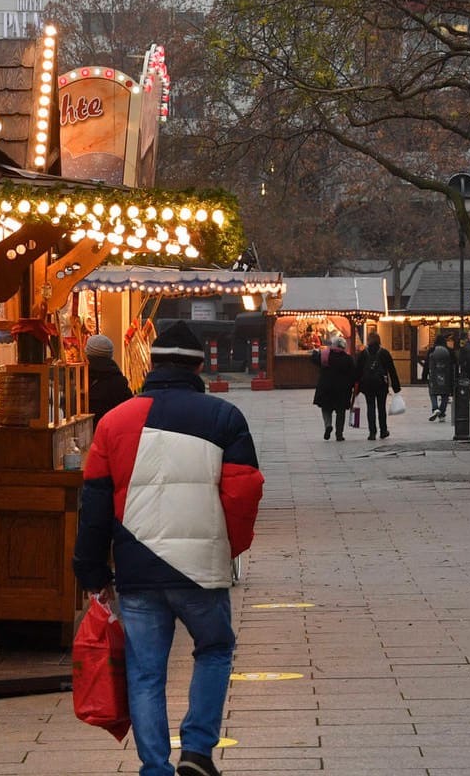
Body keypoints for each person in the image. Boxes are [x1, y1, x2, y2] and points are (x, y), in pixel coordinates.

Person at [74, 320, 264, 776]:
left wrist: (92, 573)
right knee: (215, 649)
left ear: (152, 363)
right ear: (199, 366)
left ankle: (154, 767)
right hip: (201, 570)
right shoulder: (225, 418)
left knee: (145, 670)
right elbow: (245, 494)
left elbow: (94, 503)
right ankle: (197, 749)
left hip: (137, 569)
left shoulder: (116, 421)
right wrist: (227, 548)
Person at [354, 330, 402, 440]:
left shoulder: (363, 354)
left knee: (370, 407)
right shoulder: (384, 353)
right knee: (381, 408)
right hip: (381, 384)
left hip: (367, 385)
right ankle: (383, 430)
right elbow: (391, 370)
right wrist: (396, 387)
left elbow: (357, 371)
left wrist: (356, 386)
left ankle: (372, 432)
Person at [311, 336, 358, 441]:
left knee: (326, 408)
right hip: (342, 390)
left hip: (326, 387)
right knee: (340, 412)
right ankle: (339, 434)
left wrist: (315, 351)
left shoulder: (325, 356)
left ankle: (328, 425)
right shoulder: (348, 359)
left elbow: (314, 359)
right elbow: (353, 375)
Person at [84, 333, 132, 422]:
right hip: (111, 432)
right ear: (110, 356)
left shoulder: (79, 379)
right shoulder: (119, 382)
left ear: (87, 354)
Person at [424, 334, 455, 423]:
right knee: (445, 394)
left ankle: (435, 408)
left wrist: (424, 375)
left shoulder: (432, 350)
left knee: (433, 392)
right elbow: (455, 363)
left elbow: (426, 364)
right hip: (446, 375)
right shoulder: (449, 351)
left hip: (434, 375)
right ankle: (442, 413)